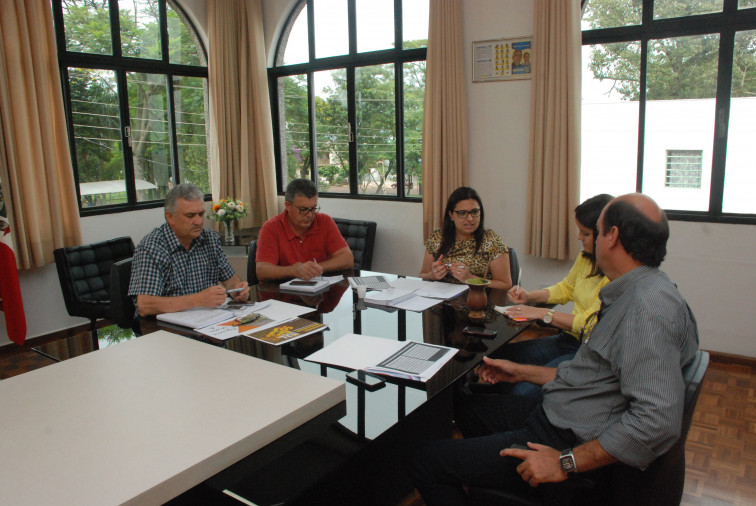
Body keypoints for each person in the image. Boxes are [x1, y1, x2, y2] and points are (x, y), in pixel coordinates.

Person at [409, 193, 699, 504]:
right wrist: (522, 372)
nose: (584, 239)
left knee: (425, 459)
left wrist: (565, 461)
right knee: (464, 406)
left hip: (565, 436)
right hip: (564, 411)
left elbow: (656, 422)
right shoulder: (644, 291)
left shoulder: (646, 312)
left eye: (595, 231)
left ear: (612, 236)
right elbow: (598, 375)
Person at [490, 194, 613, 400]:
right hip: (569, 339)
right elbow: (567, 288)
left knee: (524, 390)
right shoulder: (586, 258)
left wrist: (542, 314)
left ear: (605, 234)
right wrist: (529, 295)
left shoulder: (613, 272)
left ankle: (515, 411)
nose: (578, 237)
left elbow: (590, 324)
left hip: (587, 350)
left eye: (585, 233)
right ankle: (502, 407)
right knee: (498, 358)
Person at [129, 183, 249, 317]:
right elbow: (145, 305)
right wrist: (198, 299)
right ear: (170, 217)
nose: (198, 221)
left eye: (201, 214)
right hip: (164, 329)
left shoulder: (209, 238)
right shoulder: (152, 248)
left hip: (207, 321)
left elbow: (230, 280)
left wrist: (237, 290)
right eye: (190, 216)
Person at [256, 178, 354, 281]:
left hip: (320, 291)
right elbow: (262, 270)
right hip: (281, 293)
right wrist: (295, 271)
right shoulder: (271, 228)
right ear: (288, 205)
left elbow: (347, 259)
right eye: (303, 210)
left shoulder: (325, 221)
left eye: (313, 209)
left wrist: (316, 268)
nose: (310, 215)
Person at [420, 187, 512, 290]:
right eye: (462, 213)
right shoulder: (437, 237)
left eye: (474, 212)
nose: (470, 219)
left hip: (478, 300)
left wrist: (471, 278)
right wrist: (432, 275)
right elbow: (422, 275)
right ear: (451, 215)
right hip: (442, 301)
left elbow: (505, 284)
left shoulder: (491, 240)